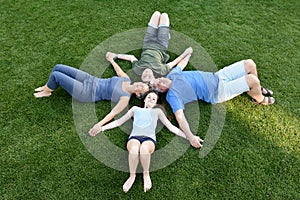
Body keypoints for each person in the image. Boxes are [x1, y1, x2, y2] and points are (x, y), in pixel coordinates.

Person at [152, 55, 275, 148]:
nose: (160, 79)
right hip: (219, 91)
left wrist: (187, 53)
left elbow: (181, 65)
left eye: (157, 79)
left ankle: (255, 88)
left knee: (250, 64)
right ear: (162, 89)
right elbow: (179, 117)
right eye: (158, 84)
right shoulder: (173, 96)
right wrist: (191, 137)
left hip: (218, 76)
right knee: (252, 80)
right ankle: (260, 98)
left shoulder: (171, 75)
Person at [89, 91, 193, 193]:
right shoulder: (135, 109)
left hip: (149, 140)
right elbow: (119, 121)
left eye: (153, 99)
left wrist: (189, 137)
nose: (150, 100)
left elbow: (172, 128)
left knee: (143, 149)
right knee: (134, 150)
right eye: (149, 97)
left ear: (156, 103)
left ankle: (146, 174)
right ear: (144, 99)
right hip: (134, 138)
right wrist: (101, 128)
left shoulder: (158, 112)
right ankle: (132, 175)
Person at [34, 54, 149, 128]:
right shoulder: (127, 79)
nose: (141, 84)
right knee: (58, 67)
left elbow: (112, 114)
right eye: (143, 84)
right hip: (89, 79)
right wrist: (111, 60)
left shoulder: (125, 98)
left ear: (138, 94)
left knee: (56, 75)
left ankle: (47, 91)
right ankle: (47, 86)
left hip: (86, 92)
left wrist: (99, 125)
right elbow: (118, 71)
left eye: (142, 88)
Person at [106, 11, 193, 82]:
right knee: (164, 15)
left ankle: (163, 33)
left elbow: (131, 57)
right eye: (149, 77)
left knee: (156, 14)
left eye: (144, 77)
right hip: (161, 44)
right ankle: (165, 35)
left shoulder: (138, 69)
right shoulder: (161, 70)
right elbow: (174, 63)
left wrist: (116, 55)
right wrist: (186, 53)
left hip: (148, 42)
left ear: (141, 77)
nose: (146, 74)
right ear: (154, 78)